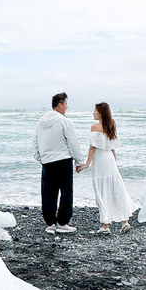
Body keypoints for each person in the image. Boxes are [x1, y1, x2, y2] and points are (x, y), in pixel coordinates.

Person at [77, 102, 134, 235]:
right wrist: (114, 159)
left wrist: (87, 164)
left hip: (100, 161)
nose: (93, 113)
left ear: (100, 112)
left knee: (101, 191)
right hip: (110, 159)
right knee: (117, 189)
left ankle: (105, 225)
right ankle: (124, 221)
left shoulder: (95, 127)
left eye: (95, 111)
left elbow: (93, 147)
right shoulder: (111, 124)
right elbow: (112, 145)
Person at [33, 92, 84, 234]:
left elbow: (35, 141)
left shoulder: (41, 122)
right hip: (63, 161)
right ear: (60, 104)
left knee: (48, 192)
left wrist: (40, 157)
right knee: (66, 192)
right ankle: (62, 222)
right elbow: (73, 143)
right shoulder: (65, 121)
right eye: (66, 104)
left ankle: (50, 223)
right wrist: (79, 161)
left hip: (47, 162)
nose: (67, 107)